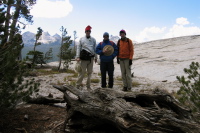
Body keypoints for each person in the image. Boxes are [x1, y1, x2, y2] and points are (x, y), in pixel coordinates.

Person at [76, 25, 97, 90]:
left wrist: (96, 57)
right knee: (82, 72)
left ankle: (88, 86)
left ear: (90, 32)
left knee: (89, 73)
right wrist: (77, 56)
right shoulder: (81, 39)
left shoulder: (93, 39)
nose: (88, 32)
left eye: (89, 31)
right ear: (85, 32)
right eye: (87, 31)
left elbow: (95, 48)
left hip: (91, 58)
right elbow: (78, 48)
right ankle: (77, 85)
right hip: (83, 58)